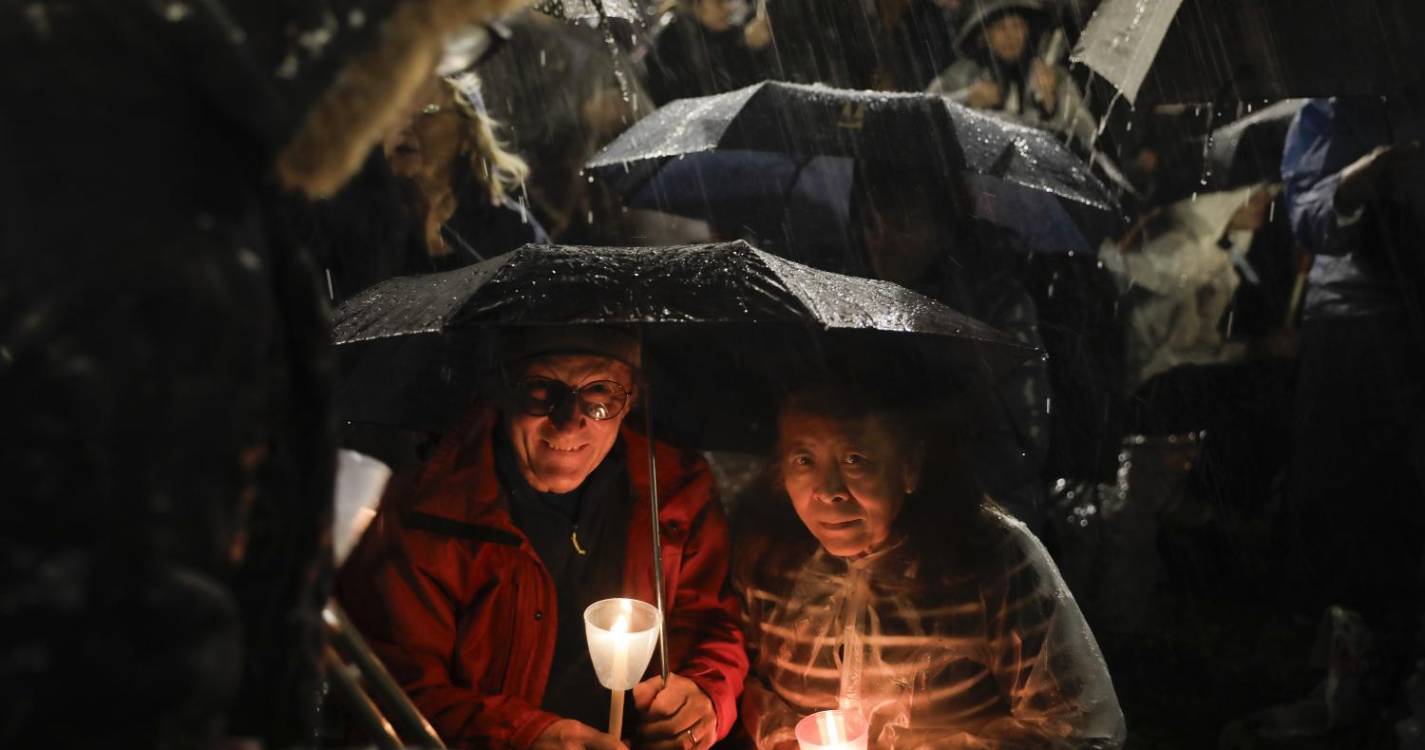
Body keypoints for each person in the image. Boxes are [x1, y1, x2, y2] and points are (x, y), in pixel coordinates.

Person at [0, 0, 526, 746]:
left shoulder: (191, 182)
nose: (417, 98)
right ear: (337, 31)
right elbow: (123, 614)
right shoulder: (164, 238)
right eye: (430, 50)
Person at [338, 327, 748, 749]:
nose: (570, 422)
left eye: (601, 393)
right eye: (540, 388)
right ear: (500, 385)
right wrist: (528, 737)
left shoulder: (676, 489)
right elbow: (395, 689)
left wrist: (704, 696)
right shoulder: (429, 511)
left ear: (634, 396)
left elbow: (713, 624)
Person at [735, 381, 1126, 748]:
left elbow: (1074, 727)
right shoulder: (770, 560)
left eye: (855, 459)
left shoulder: (991, 561)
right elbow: (739, 680)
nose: (829, 491)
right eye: (804, 460)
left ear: (909, 466)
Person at [1281, 97, 1425, 644]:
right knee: (1348, 492)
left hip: (1414, 310)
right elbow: (1307, 213)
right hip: (1353, 318)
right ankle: (1346, 646)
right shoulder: (1330, 108)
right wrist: (1358, 180)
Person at [384, 71, 548, 270]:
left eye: (428, 110)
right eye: (401, 112)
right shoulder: (368, 216)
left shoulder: (509, 228)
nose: (407, 124)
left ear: (467, 134)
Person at [927, 0, 1095, 147]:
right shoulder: (960, 77)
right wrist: (966, 99)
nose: (1011, 36)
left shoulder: (1053, 76)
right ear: (985, 35)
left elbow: (1088, 136)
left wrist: (1053, 105)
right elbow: (925, 115)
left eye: (1017, 26)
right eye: (1001, 28)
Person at [642, 0, 773, 106]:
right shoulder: (672, 42)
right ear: (694, 4)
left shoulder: (723, 32)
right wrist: (745, 49)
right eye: (719, 2)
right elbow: (714, 93)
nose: (729, 8)